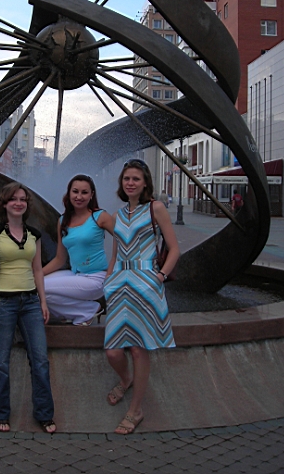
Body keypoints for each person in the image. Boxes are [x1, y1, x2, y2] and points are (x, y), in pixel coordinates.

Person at [0, 182, 55, 434]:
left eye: (23, 199)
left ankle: (44, 414)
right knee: (0, 362)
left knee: (40, 360)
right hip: (1, 303)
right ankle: (1, 414)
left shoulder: (34, 235)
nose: (19, 203)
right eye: (13, 199)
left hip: (30, 303)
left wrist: (43, 301)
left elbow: (37, 270)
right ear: (4, 204)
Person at [104, 159, 180, 434]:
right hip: (120, 283)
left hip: (145, 282)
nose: (130, 183)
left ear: (145, 182)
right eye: (127, 178)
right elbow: (116, 252)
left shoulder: (155, 208)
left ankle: (135, 411)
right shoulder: (119, 214)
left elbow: (174, 248)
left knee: (138, 349)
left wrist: (159, 277)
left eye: (136, 178)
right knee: (113, 350)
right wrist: (109, 281)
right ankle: (127, 379)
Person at [43, 174, 114, 326]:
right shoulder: (63, 221)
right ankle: (80, 311)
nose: (79, 197)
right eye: (75, 191)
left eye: (84, 192)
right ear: (69, 193)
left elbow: (124, 240)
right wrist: (35, 274)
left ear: (91, 195)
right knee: (33, 286)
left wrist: (112, 269)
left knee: (40, 288)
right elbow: (60, 259)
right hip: (76, 274)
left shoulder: (99, 216)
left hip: (96, 278)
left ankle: (87, 310)